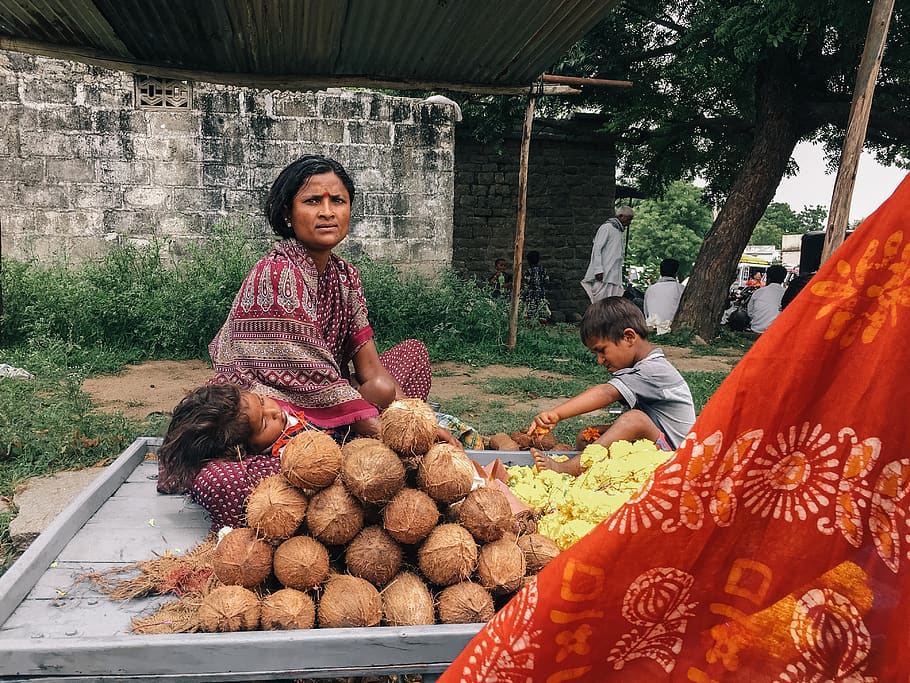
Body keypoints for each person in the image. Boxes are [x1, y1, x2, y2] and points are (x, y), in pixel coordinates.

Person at [208, 154, 450, 441]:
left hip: (331, 388)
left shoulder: (344, 276)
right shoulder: (277, 273)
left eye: (337, 201)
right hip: (276, 403)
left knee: (406, 361)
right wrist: (400, 435)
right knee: (290, 438)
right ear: (288, 213)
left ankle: (359, 426)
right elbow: (313, 381)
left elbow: (370, 369)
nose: (327, 212)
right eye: (312, 201)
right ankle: (352, 431)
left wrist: (414, 418)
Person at [528, 296, 695, 476]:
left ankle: (569, 468)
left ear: (629, 337)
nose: (600, 361)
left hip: (678, 461)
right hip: (657, 445)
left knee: (634, 419)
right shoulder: (638, 369)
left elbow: (607, 393)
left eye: (602, 351)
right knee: (586, 436)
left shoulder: (654, 370)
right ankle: (595, 469)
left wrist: (557, 414)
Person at [156, 384, 310, 528]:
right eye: (264, 423)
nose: (275, 412)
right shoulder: (278, 461)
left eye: (262, 401)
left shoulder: (282, 423)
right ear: (242, 450)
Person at [581, 206, 633, 303]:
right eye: (628, 218)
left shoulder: (618, 231)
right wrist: (598, 270)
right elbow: (597, 249)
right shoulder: (607, 228)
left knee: (612, 305)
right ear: (621, 216)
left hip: (614, 275)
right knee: (601, 303)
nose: (629, 222)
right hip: (604, 274)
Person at [642, 258, 685, 333]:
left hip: (653, 328)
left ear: (660, 272)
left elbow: (646, 313)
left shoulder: (651, 289)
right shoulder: (681, 289)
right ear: (676, 273)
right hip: (672, 329)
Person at [747, 264, 787, 333]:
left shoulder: (758, 292)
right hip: (777, 332)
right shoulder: (787, 294)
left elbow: (750, 313)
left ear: (768, 278)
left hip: (756, 329)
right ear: (783, 279)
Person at [521, 250, 551, 322]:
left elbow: (527, 280)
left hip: (531, 293)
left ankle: (531, 321)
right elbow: (547, 280)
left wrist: (522, 277)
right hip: (541, 292)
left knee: (531, 306)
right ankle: (542, 320)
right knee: (541, 306)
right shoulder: (543, 269)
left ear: (529, 261)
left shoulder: (529, 271)